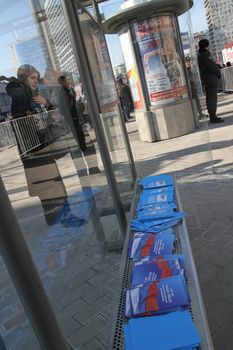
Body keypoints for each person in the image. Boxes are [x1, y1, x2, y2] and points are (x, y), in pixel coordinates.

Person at [197, 39, 224, 123]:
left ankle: (212, 115)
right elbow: (212, 66)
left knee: (210, 97)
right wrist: (218, 73)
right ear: (206, 46)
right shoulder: (204, 55)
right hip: (210, 79)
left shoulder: (201, 54)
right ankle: (213, 116)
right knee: (212, 98)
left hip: (207, 79)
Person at [57, 74, 86, 151]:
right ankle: (82, 145)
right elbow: (66, 105)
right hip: (71, 115)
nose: (68, 82)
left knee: (77, 129)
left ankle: (82, 145)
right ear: (62, 82)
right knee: (76, 130)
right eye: (66, 80)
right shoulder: (63, 93)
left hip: (72, 114)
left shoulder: (67, 91)